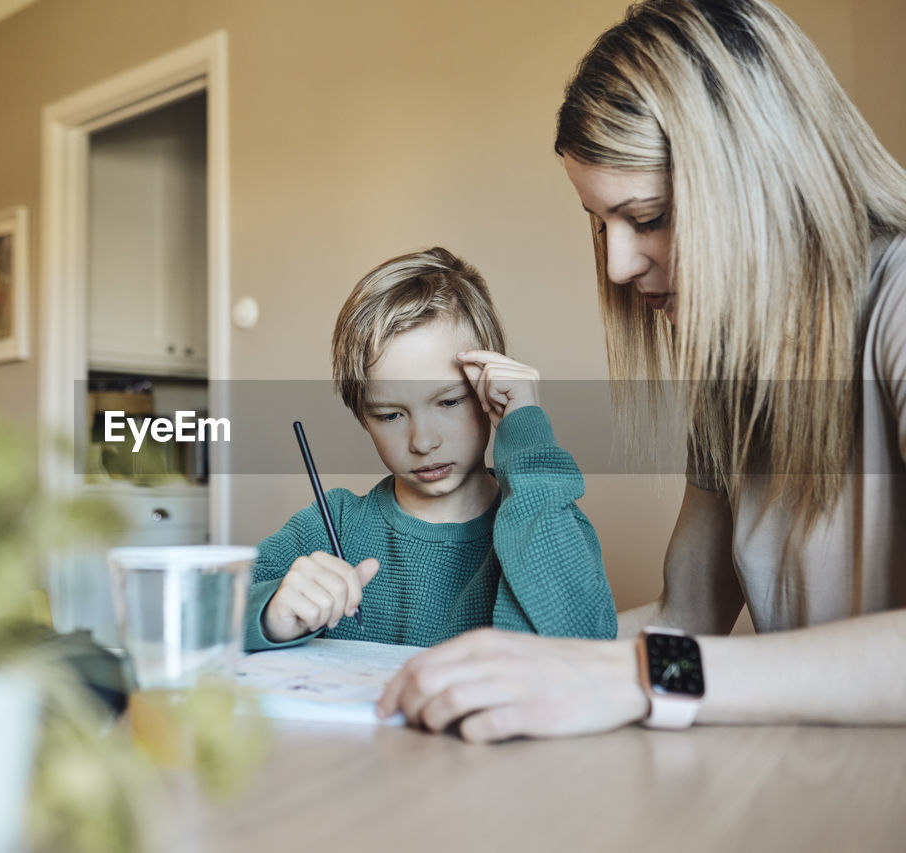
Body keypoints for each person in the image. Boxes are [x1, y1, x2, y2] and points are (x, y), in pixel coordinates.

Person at [378, 0, 906, 740]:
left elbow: (673, 657)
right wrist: (494, 664)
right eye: (602, 226)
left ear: (757, 177)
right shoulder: (734, 378)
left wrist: (640, 676)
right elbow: (686, 617)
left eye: (649, 216)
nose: (619, 265)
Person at [244, 247, 617, 652]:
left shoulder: (545, 516)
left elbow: (581, 640)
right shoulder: (329, 523)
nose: (422, 441)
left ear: (489, 390)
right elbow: (201, 611)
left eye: (449, 402)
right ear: (362, 416)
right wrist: (269, 616)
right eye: (389, 415)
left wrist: (525, 432)